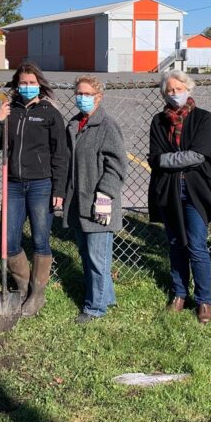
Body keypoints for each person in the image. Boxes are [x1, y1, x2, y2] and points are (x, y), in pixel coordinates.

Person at [147, 70, 211, 324]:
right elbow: (155, 158)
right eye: (169, 90)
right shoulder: (158, 121)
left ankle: (204, 299)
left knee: (196, 245)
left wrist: (170, 161)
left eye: (178, 89)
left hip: (195, 190)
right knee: (175, 243)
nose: (174, 94)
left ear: (188, 89)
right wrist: (177, 160)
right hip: (169, 191)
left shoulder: (203, 118)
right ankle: (179, 294)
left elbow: (201, 154)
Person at [0, 61, 68, 318]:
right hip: (13, 183)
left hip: (41, 184)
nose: (27, 87)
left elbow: (60, 154)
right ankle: (23, 287)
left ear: (40, 85)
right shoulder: (10, 110)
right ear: (16, 85)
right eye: (23, 83)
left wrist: (59, 188)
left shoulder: (49, 113)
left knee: (40, 240)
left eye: (32, 83)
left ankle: (38, 293)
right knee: (9, 240)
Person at [62, 75, 128, 324]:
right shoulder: (75, 124)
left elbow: (117, 165)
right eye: (78, 93)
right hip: (78, 202)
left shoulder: (107, 126)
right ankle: (106, 297)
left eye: (87, 94)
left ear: (98, 97)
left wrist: (105, 194)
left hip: (98, 202)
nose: (81, 98)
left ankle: (95, 308)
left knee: (98, 258)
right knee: (88, 255)